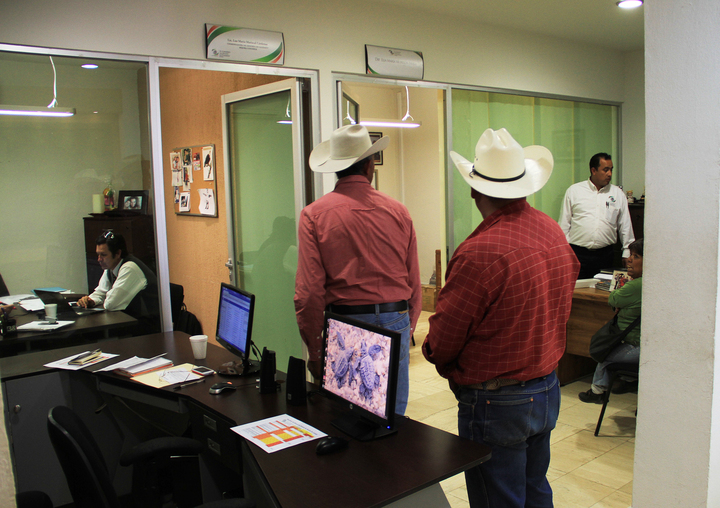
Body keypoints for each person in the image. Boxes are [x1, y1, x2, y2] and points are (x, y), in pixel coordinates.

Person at [422, 128, 579, 508]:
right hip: (546, 387)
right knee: (535, 489)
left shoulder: (479, 252)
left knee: (498, 499)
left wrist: (446, 364)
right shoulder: (552, 230)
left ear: (473, 190)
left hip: (497, 401)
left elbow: (442, 343)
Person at [294, 124, 422, 416]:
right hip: (394, 316)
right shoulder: (399, 211)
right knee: (392, 415)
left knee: (347, 414)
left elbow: (308, 294)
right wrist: (407, 326)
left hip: (345, 322)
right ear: (369, 166)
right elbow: (413, 279)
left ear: (336, 168)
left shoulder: (314, 215)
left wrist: (316, 350)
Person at [579, 237, 643, 402]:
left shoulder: (636, 285)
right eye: (631, 255)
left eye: (636, 256)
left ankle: (597, 392)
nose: (629, 259)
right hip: (637, 342)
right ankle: (629, 381)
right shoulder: (643, 283)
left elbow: (613, 299)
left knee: (605, 355)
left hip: (637, 345)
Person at [559, 152, 635, 279]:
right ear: (593, 170)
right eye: (605, 170)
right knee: (577, 289)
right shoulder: (574, 191)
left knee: (602, 289)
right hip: (577, 254)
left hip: (605, 255)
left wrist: (627, 251)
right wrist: (563, 252)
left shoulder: (617, 194)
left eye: (611, 169)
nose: (609, 174)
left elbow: (625, 225)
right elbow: (564, 224)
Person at [78, 231, 158, 322]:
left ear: (118, 253)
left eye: (103, 255)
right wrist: (90, 300)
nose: (99, 259)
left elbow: (111, 304)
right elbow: (101, 291)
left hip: (148, 324)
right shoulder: (111, 267)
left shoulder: (130, 268)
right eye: (98, 254)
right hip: (129, 320)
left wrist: (104, 298)